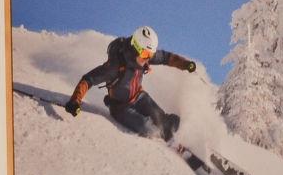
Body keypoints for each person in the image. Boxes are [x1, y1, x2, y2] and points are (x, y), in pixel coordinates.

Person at [66, 25, 199, 141]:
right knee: (148, 128)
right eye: (145, 54)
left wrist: (186, 64)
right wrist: (75, 101)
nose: (148, 59)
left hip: (140, 97)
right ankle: (166, 142)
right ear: (135, 47)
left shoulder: (145, 55)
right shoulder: (114, 66)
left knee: (162, 120)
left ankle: (185, 136)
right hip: (121, 107)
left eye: (150, 55)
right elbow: (88, 79)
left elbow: (166, 57)